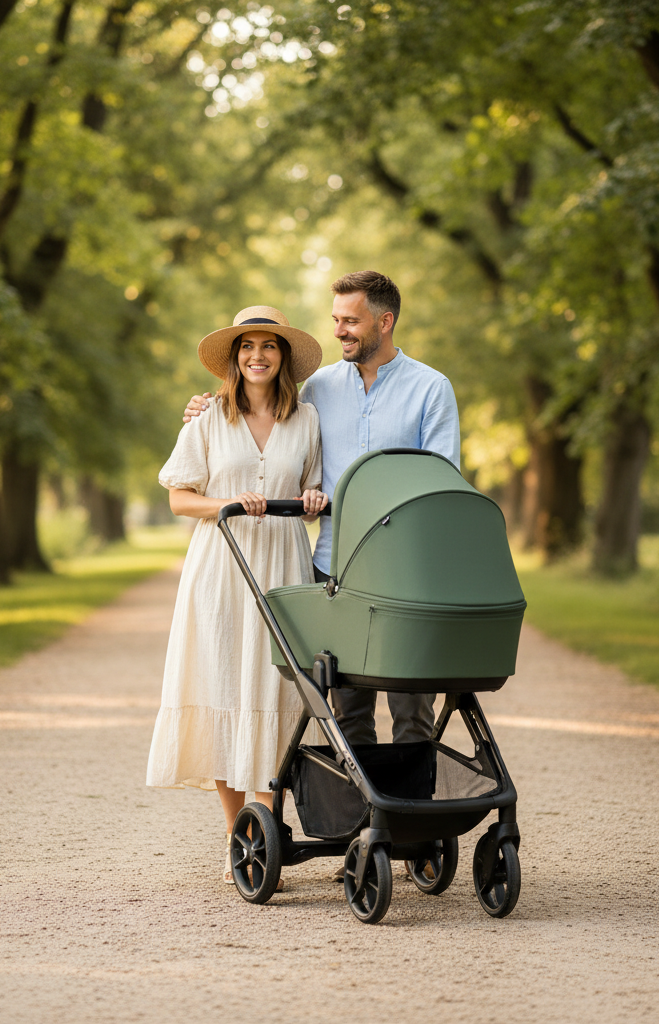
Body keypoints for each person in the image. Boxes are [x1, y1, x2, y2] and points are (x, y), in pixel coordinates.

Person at [186, 271, 460, 749]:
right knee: (347, 710)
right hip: (333, 569)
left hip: (405, 575)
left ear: (385, 320)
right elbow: (265, 415)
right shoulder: (316, 390)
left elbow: (440, 482)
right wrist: (203, 408)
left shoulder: (431, 389)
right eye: (336, 320)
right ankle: (358, 819)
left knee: (412, 709)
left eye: (350, 321)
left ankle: (414, 821)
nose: (338, 331)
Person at [146, 305, 329, 885]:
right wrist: (226, 505)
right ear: (234, 357)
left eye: (268, 347)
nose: (257, 356)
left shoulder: (306, 419)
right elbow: (179, 497)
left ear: (283, 357)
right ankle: (238, 833)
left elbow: (312, 482)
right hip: (222, 567)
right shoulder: (206, 420)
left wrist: (315, 498)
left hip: (282, 562)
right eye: (247, 347)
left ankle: (268, 825)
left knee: (279, 690)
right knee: (222, 683)